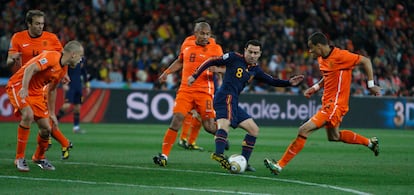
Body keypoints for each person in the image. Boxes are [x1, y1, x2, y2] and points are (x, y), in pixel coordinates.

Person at [263, 32, 382, 175]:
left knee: (303, 130)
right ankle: (370, 143)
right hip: (328, 103)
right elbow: (328, 76)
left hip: (335, 105)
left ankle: (279, 165)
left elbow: (366, 61)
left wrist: (370, 84)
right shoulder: (321, 58)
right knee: (334, 136)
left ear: (319, 46)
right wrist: (315, 88)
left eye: (311, 48)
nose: (309, 51)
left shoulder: (341, 56)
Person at [188, 40, 304, 172]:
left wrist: (288, 82)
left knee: (253, 129)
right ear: (245, 50)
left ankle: (243, 162)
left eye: (256, 53)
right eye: (250, 52)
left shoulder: (255, 69)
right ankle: (219, 154)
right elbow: (211, 61)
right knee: (224, 125)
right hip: (225, 97)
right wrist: (195, 75)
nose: (252, 55)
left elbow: (272, 80)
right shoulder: (233, 57)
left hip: (234, 101)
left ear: (260, 54)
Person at [153, 22, 224, 166]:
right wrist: (167, 72)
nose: (205, 37)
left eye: (207, 34)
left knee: (209, 126)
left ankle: (223, 134)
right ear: (195, 33)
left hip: (205, 92)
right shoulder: (187, 44)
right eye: (202, 33)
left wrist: (218, 71)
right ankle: (164, 156)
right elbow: (180, 61)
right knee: (177, 118)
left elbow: (225, 68)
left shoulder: (216, 49)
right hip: (186, 90)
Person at [6, 40, 84, 171]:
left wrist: (52, 113)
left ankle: (39, 157)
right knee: (28, 115)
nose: (81, 60)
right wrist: (24, 88)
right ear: (73, 55)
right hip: (19, 84)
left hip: (36, 93)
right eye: (80, 56)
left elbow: (52, 90)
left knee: (46, 128)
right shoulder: (51, 57)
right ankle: (19, 158)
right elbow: (30, 68)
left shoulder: (63, 69)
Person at [6, 10, 73, 160]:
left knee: (46, 125)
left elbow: (64, 58)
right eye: (37, 24)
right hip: (24, 82)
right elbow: (8, 61)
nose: (40, 27)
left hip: (42, 85)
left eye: (42, 24)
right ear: (29, 24)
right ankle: (23, 156)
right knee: (30, 116)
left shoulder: (52, 38)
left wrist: (65, 73)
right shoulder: (18, 37)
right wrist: (13, 59)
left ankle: (44, 152)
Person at [56, 58, 90, 134]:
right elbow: (62, 70)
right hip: (70, 86)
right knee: (66, 106)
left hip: (79, 87)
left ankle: (76, 127)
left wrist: (87, 86)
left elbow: (84, 72)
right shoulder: (68, 58)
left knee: (77, 108)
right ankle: (55, 122)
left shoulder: (82, 59)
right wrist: (63, 83)